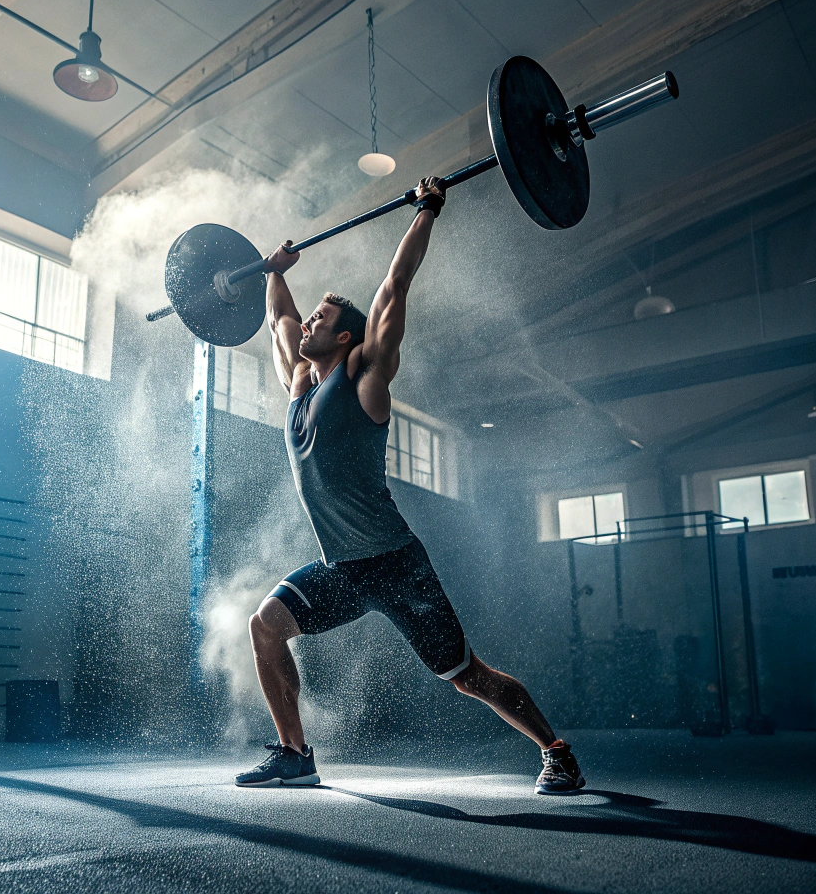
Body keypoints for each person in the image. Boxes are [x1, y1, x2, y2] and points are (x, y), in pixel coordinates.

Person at [234, 176, 584, 795]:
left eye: (324, 317)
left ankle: (555, 749)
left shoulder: (365, 378)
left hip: (397, 564)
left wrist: (428, 210)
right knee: (266, 625)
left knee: (465, 675)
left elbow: (394, 288)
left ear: (346, 337)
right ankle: (295, 754)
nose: (309, 322)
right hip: (341, 566)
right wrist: (274, 270)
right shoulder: (299, 383)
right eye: (312, 316)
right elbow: (278, 321)